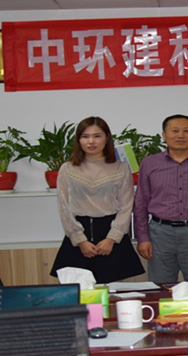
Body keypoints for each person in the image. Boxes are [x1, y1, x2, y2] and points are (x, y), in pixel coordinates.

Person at [50, 116, 144, 283]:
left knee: (112, 291)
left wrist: (111, 239)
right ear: (78, 140)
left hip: (110, 233)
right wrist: (80, 240)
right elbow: (63, 207)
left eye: (97, 136)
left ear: (106, 138)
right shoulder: (67, 168)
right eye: (85, 136)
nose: (91, 141)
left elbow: (126, 205)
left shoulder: (121, 167)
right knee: (79, 291)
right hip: (79, 232)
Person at [133, 114, 188, 283]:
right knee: (161, 286)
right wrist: (142, 237)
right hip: (160, 234)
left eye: (186, 131)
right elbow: (141, 202)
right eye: (175, 131)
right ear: (164, 135)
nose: (180, 135)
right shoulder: (150, 163)